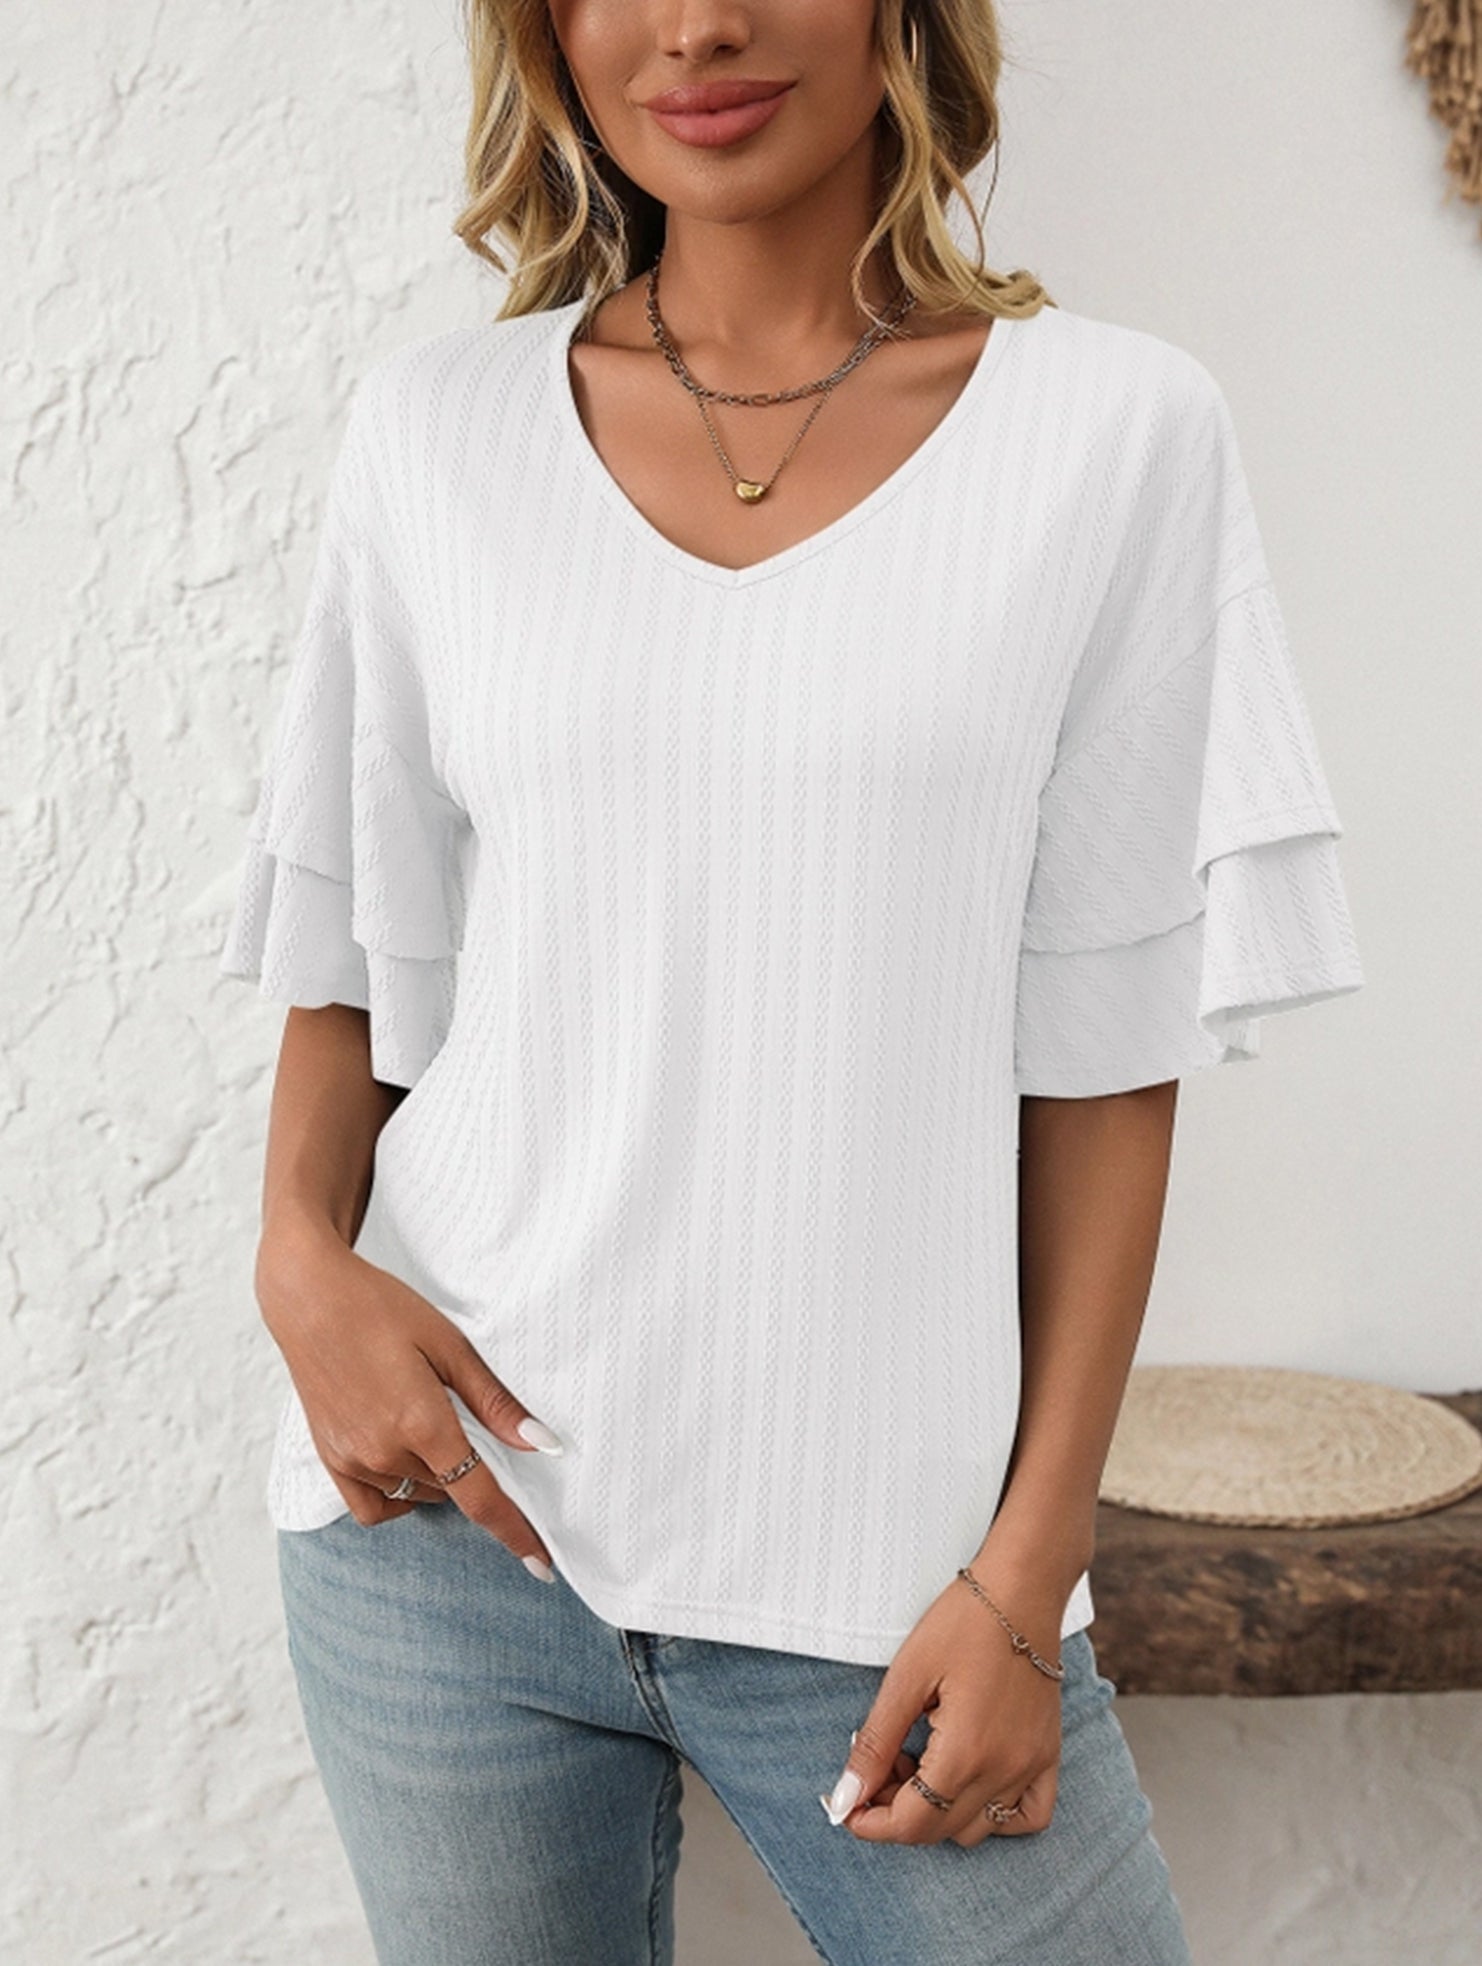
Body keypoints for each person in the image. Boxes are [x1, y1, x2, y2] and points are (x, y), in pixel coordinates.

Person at [216, 3, 1365, 1961]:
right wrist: (296, 1264)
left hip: (893, 1581)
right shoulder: (435, 431)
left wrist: (1026, 1577)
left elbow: (1104, 1065)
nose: (699, 25)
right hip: (442, 1550)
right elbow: (360, 951)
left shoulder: (1113, 433)